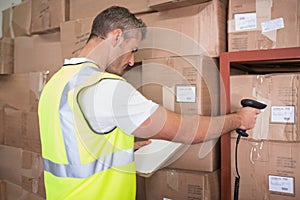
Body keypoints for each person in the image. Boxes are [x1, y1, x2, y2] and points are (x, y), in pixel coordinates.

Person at [38, 6, 261, 200]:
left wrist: (120, 148)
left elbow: (71, 142)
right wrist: (239, 118)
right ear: (116, 36)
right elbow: (186, 131)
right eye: (132, 49)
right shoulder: (106, 87)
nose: (132, 60)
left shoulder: (56, 83)